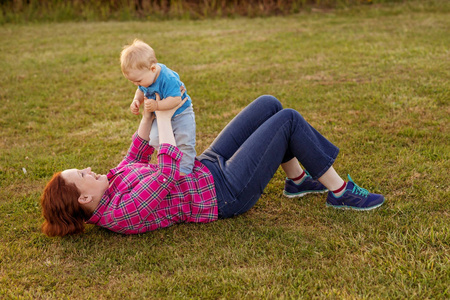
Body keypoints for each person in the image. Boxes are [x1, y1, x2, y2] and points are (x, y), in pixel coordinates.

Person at [40, 95, 385, 237]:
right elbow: (167, 171)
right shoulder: (121, 214)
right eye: (82, 175)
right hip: (225, 192)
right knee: (288, 121)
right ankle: (340, 193)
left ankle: (296, 181)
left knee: (269, 105)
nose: (88, 169)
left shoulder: (111, 184)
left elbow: (134, 156)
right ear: (84, 199)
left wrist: (147, 111)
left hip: (207, 167)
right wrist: (164, 118)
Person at [121, 39, 196, 174]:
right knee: (155, 138)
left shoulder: (168, 78)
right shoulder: (145, 78)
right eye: (132, 82)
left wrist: (157, 105)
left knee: (184, 140)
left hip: (181, 113)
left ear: (153, 69)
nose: (137, 84)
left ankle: (185, 169)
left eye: (138, 81)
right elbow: (140, 90)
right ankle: (170, 159)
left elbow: (176, 99)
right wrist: (136, 100)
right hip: (160, 115)